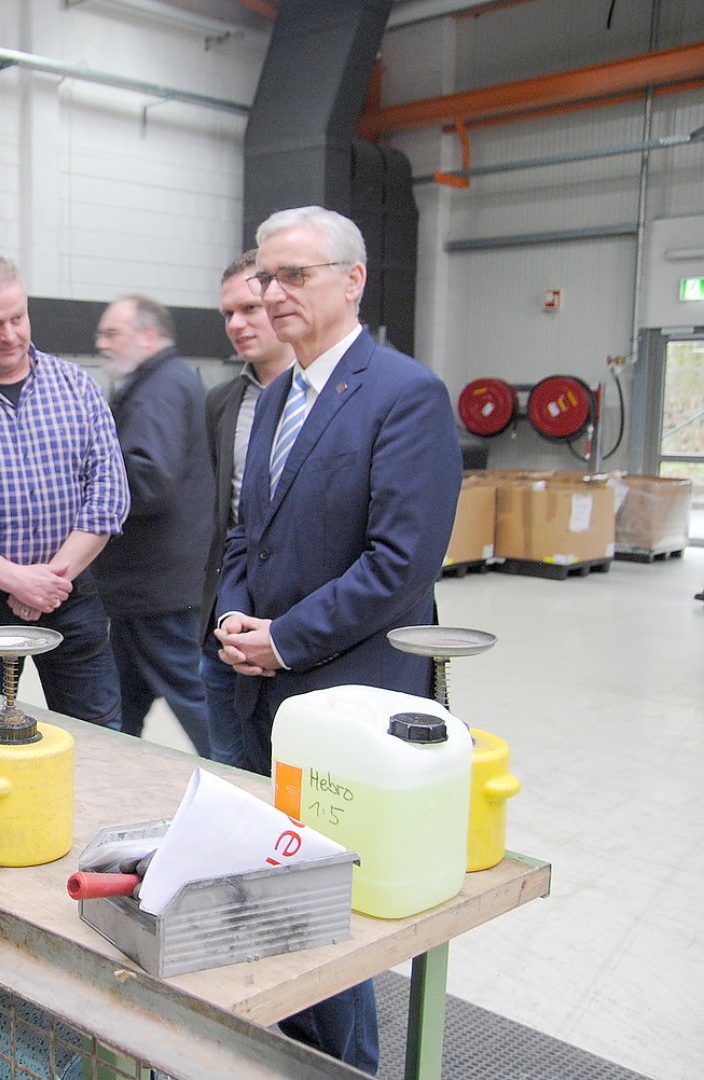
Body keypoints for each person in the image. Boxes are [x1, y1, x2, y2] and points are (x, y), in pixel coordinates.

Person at [214, 206, 462, 1073]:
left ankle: (352, 1066)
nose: (272, 294)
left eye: (294, 276)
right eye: (265, 278)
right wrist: (233, 618)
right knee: (275, 898)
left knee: (327, 920)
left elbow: (398, 564)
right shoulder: (275, 395)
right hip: (264, 687)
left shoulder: (405, 395)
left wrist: (283, 639)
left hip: (349, 697)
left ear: (351, 280)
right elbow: (249, 533)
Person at [0, 254, 129, 730]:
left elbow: (109, 496)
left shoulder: (77, 387)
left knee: (97, 732)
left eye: (18, 317)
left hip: (69, 592)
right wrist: (15, 579)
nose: (10, 334)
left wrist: (47, 581)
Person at [90, 296, 215, 750]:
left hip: (158, 589)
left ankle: (245, 786)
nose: (101, 344)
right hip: (148, 588)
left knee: (193, 697)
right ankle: (120, 772)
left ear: (148, 335)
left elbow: (148, 479)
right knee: (124, 701)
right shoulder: (169, 382)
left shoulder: (156, 391)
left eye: (112, 334)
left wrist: (86, 472)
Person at [199, 252, 294, 766]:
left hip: (303, 627)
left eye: (250, 309)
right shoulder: (221, 403)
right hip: (228, 629)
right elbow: (226, 522)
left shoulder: (330, 401)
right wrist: (226, 613)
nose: (237, 324)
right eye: (228, 314)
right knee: (231, 771)